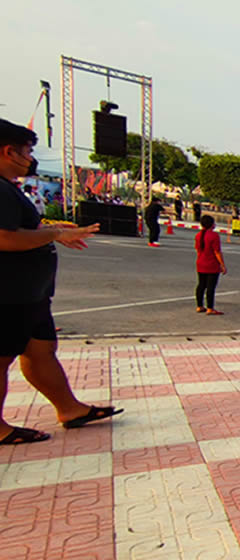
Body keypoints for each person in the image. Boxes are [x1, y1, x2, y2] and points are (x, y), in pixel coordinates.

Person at [0, 119, 122, 445]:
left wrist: (51, 228)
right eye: (27, 150)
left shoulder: (8, 187)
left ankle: (69, 409)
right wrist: (54, 234)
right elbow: (4, 238)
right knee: (1, 358)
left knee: (41, 350)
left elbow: (19, 228)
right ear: (8, 151)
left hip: (29, 293)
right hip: (7, 293)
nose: (30, 157)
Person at [195, 215, 226, 314]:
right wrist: (222, 265)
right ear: (211, 224)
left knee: (201, 285)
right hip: (211, 264)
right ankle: (210, 308)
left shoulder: (198, 235)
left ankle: (199, 305)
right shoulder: (214, 236)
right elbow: (217, 252)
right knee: (210, 287)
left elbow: (198, 250)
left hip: (201, 263)